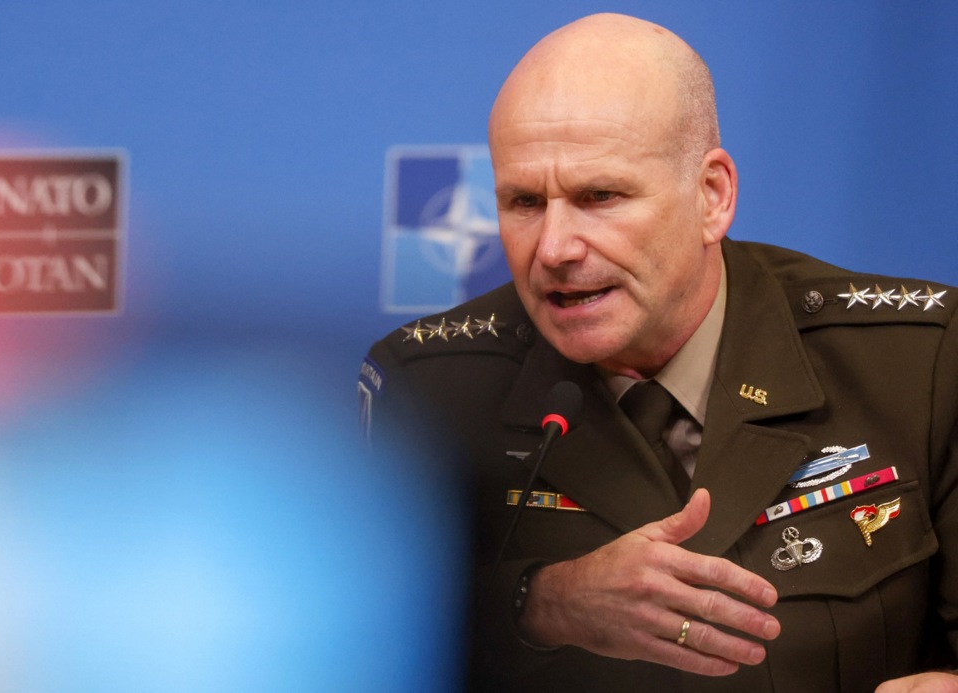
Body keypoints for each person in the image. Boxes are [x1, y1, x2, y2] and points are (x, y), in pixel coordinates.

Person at [359, 13, 958, 692]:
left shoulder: (920, 364)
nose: (553, 248)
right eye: (524, 202)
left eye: (599, 197)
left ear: (712, 196)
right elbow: (359, 645)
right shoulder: (430, 389)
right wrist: (543, 601)